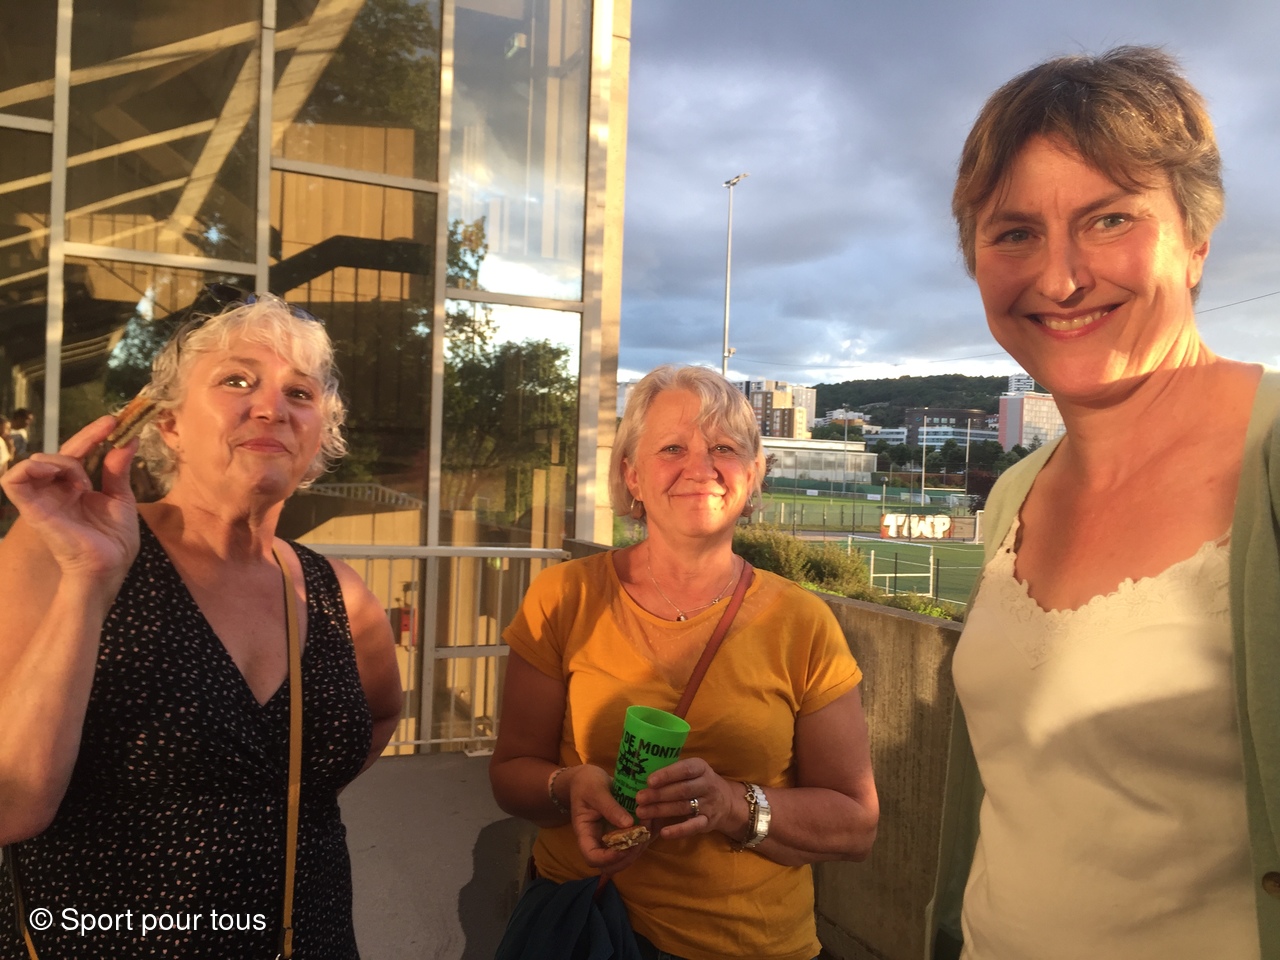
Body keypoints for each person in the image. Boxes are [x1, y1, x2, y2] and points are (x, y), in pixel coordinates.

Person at [934, 46, 1278, 959]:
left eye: (1109, 219)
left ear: (1196, 241)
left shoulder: (1273, 459)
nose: (1059, 279)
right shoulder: (1016, 493)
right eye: (1014, 233)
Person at [0, 292, 403, 958]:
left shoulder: (340, 596)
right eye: (237, 380)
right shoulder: (61, 550)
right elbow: (11, 809)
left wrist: (267, 808)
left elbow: (381, 714)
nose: (272, 407)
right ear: (167, 424)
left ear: (320, 437)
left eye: (299, 393)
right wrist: (87, 581)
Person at [489, 364, 878, 960]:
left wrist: (732, 805)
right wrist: (569, 786)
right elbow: (511, 774)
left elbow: (855, 825)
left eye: (724, 449)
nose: (701, 468)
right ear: (632, 475)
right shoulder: (564, 597)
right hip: (584, 927)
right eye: (673, 448)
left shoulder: (803, 623)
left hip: (747, 945)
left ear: (752, 475)